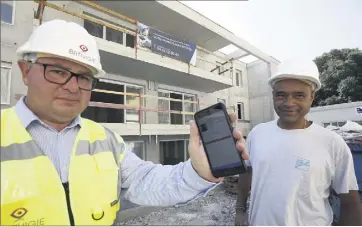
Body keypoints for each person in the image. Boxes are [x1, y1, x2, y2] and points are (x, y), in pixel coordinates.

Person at [0, 19, 249, 226]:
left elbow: (147, 181)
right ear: (25, 71)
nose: (73, 86)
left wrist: (198, 172)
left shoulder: (105, 140)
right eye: (58, 71)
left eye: (85, 77)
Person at [235, 57, 362, 226]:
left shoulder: (333, 143)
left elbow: (350, 203)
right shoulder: (257, 134)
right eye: (281, 95)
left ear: (312, 97)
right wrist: (240, 210)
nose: (289, 103)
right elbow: (247, 172)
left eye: (299, 95)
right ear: (273, 96)